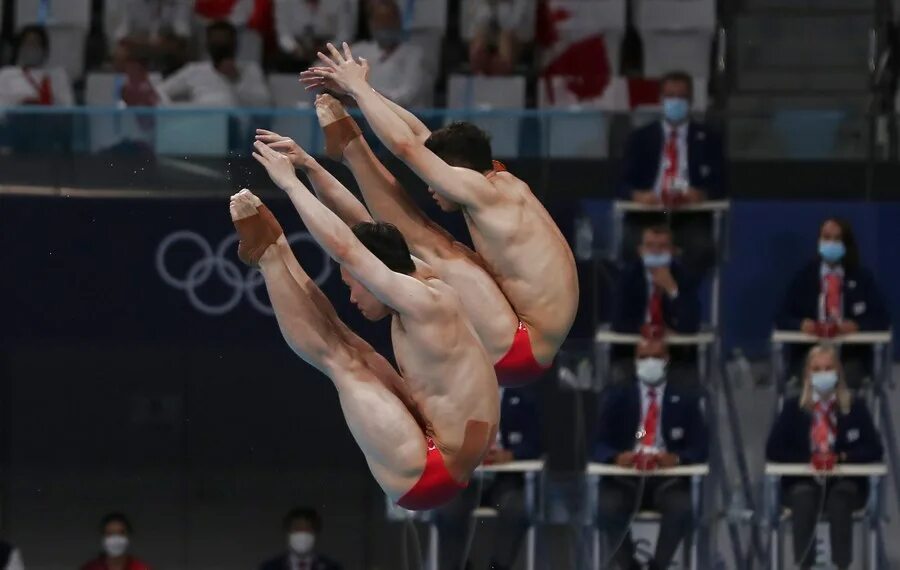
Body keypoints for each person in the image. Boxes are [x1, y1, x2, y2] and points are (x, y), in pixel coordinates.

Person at [238, 139, 499, 510]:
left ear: (377, 274)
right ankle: (275, 246)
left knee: (342, 362)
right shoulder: (421, 278)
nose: (352, 299)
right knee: (356, 348)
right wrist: (310, 166)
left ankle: (269, 257)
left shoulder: (423, 303)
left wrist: (290, 184)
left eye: (352, 286)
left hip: (427, 473)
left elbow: (347, 249)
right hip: (455, 449)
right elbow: (362, 226)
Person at [302, 43, 579, 386]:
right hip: (527, 331)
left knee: (431, 247)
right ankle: (351, 147)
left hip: (519, 349)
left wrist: (358, 85)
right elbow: (421, 137)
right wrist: (363, 96)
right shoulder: (500, 180)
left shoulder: (482, 193)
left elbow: (407, 148)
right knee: (440, 244)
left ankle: (354, 151)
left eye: (439, 176)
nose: (432, 188)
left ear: (458, 169)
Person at [591, 339, 708, 570]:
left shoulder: (686, 399)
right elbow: (598, 443)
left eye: (655, 356)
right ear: (634, 362)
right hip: (626, 478)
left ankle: (658, 567)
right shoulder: (617, 397)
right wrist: (616, 457)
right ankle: (629, 566)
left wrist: (676, 459)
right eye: (643, 357)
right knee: (606, 506)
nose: (649, 362)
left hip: (666, 479)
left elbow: (701, 447)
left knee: (683, 507)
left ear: (666, 361)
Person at [766, 344, 883, 570]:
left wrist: (842, 457)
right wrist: (809, 458)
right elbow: (773, 449)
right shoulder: (793, 409)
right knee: (803, 498)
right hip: (804, 483)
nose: (823, 374)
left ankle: (842, 565)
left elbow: (874, 449)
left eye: (828, 368)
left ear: (838, 371)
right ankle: (804, 565)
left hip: (845, 484)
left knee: (840, 500)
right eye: (817, 369)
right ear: (808, 374)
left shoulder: (856, 408)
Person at [434, 385, 542, 570]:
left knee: (516, 507)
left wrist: (512, 455)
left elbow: (536, 444)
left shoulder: (524, 398)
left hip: (506, 480)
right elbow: (442, 441)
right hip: (467, 478)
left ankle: (498, 566)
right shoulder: (457, 401)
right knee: (448, 508)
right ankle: (456, 566)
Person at [777, 217, 889, 387]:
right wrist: (800, 324)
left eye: (837, 239)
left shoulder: (862, 278)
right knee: (812, 376)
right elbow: (782, 317)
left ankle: (840, 413)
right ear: (819, 241)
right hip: (810, 354)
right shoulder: (804, 278)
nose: (831, 243)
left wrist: (856, 326)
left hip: (850, 357)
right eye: (826, 237)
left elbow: (881, 319)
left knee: (843, 380)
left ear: (846, 244)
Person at [612, 225, 701, 336]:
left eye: (663, 246)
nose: (656, 251)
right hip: (633, 346)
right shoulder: (627, 277)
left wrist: (672, 289)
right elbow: (617, 322)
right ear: (640, 250)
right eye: (649, 245)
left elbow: (691, 325)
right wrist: (653, 332)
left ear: (673, 251)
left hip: (676, 349)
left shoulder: (684, 276)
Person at [157, 21, 271, 107]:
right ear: (207, 45)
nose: (220, 47)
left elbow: (265, 104)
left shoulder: (251, 70)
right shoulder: (195, 70)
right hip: (203, 122)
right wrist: (181, 110)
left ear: (235, 45)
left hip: (236, 127)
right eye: (216, 42)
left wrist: (236, 80)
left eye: (224, 42)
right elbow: (159, 92)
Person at [349, 0, 428, 107]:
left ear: (399, 22)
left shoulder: (414, 54)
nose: (385, 27)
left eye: (389, 22)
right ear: (371, 24)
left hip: (401, 117)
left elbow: (407, 95)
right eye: (380, 23)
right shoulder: (360, 50)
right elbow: (323, 69)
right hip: (363, 116)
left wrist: (368, 97)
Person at [273, 0, 358, 71]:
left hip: (330, 50)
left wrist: (328, 48)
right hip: (295, 54)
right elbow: (283, 35)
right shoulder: (283, 2)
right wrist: (295, 48)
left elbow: (344, 34)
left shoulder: (340, 2)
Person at [0, 25, 74, 107]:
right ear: (20, 48)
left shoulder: (58, 76)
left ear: (44, 49)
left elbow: (68, 109)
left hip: (50, 119)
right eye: (28, 43)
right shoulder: (6, 74)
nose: (32, 47)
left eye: (36, 43)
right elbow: (2, 110)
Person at [462, 0, 537, 75]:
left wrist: (503, 6)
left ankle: (502, 64)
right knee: (481, 33)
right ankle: (479, 61)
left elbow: (518, 22)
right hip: (486, 30)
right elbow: (475, 18)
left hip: (515, 34)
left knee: (506, 36)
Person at [259, 507, 342, 570]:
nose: (302, 534)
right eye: (297, 529)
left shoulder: (332, 568)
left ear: (315, 533)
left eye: (307, 529)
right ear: (288, 532)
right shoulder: (269, 567)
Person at [79, 513, 151, 570]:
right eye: (110, 533)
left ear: (129, 536)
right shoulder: (90, 568)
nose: (115, 539)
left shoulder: (141, 568)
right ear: (103, 538)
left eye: (121, 533)